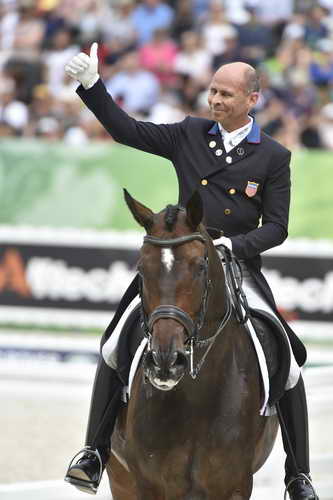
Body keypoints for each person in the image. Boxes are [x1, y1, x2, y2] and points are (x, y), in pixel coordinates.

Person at [63, 43, 319, 500]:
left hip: (235, 264)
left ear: (252, 100)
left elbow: (277, 227)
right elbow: (128, 130)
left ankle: (297, 475)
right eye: (213, 92)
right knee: (114, 343)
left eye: (226, 95)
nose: (216, 101)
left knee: (291, 360)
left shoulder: (273, 157)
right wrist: (92, 87)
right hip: (179, 261)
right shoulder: (189, 134)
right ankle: (94, 451)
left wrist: (233, 245)